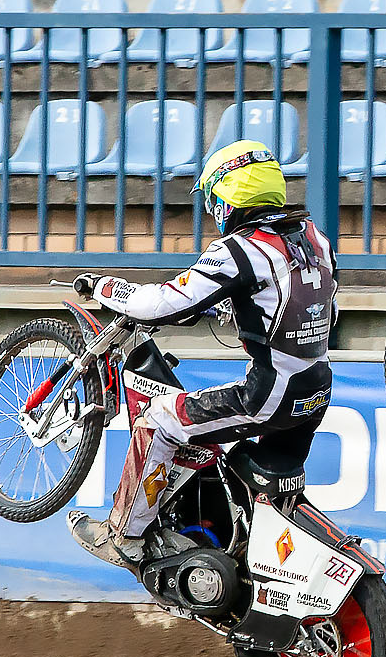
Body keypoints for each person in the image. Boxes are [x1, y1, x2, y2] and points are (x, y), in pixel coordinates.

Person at [66, 141, 336, 571]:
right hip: (316, 390)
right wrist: (231, 304)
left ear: (229, 197)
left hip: (267, 396)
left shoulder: (238, 250)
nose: (213, 209)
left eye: (213, 198)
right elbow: (308, 301)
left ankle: (125, 537)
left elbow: (162, 303)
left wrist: (104, 287)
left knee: (159, 419)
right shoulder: (312, 237)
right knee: (254, 487)